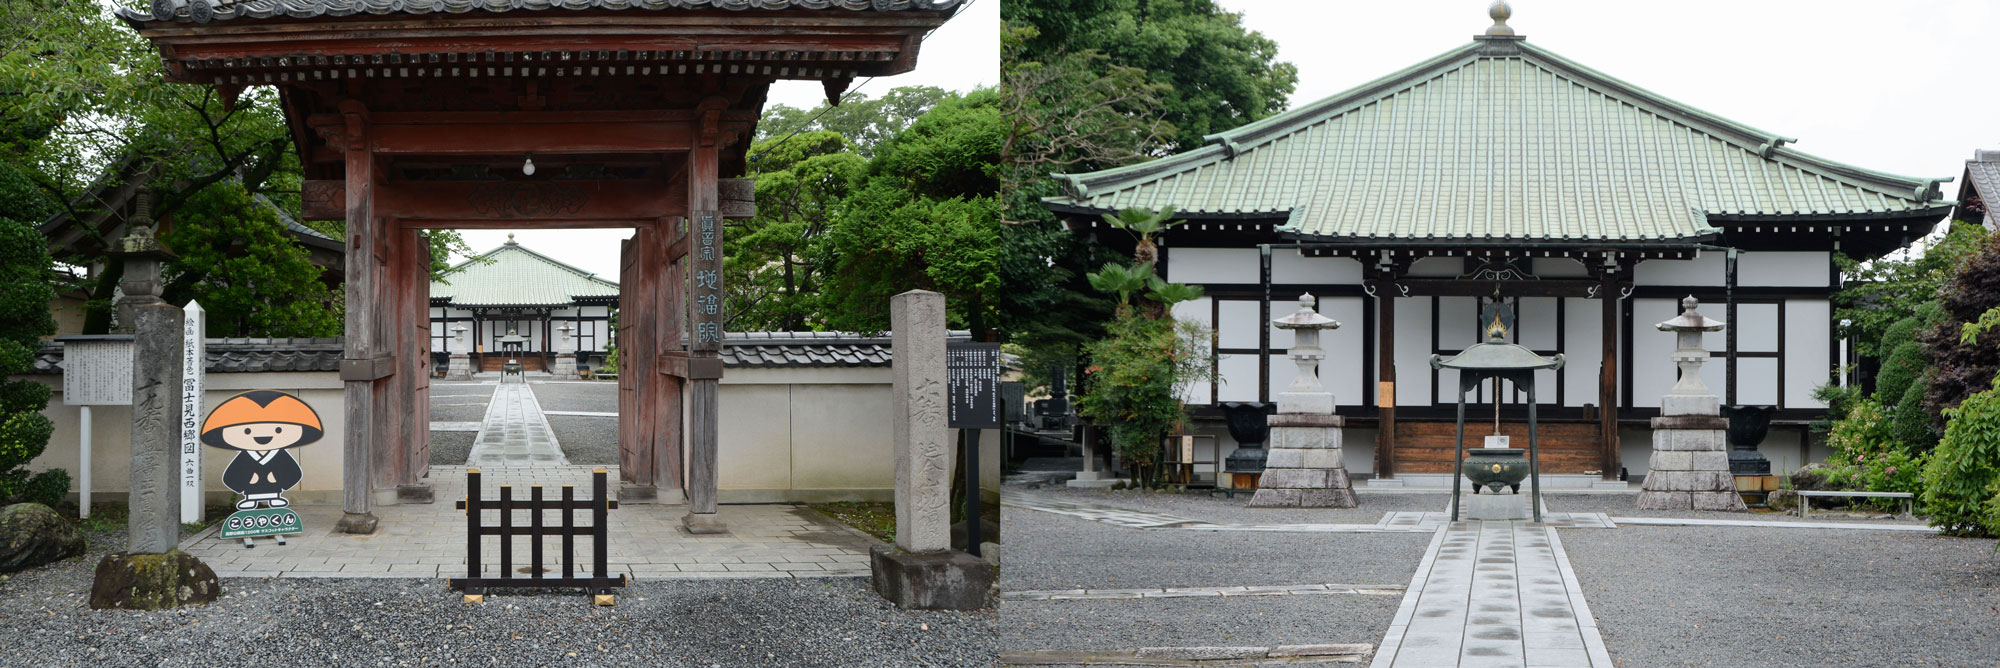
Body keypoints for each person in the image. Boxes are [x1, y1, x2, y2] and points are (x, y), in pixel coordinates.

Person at [199, 390, 322, 510]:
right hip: (249, 490)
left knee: (274, 490)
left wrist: (278, 478)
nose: (263, 436)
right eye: (247, 431)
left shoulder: (280, 455)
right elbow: (231, 476)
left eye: (278, 430)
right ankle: (250, 500)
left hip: (275, 489)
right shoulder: (245, 456)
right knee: (251, 490)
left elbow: (294, 473)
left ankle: (274, 498)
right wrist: (247, 478)